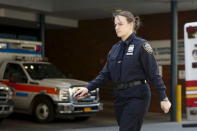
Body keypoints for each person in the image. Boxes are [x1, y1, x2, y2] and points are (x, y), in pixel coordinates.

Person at [73, 10, 171, 131]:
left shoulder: (142, 45)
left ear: (130, 24)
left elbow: (154, 74)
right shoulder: (114, 49)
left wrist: (163, 98)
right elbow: (105, 75)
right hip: (120, 96)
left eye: (120, 24)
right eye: (115, 25)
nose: (116, 27)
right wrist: (88, 88)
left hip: (137, 96)